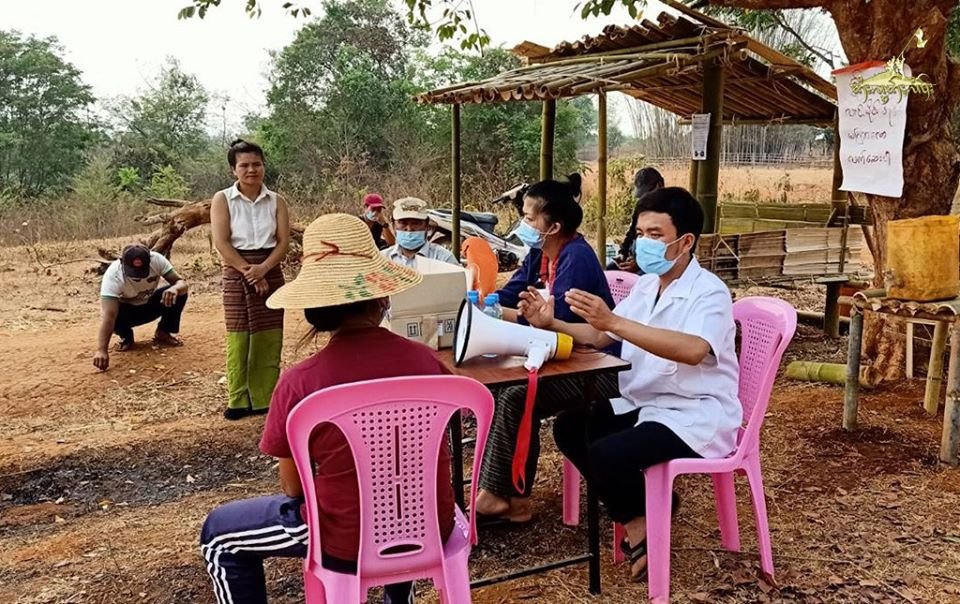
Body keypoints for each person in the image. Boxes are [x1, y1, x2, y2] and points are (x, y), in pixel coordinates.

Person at [200, 214, 455, 604]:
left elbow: (292, 487)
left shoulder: (300, 382)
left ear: (314, 308)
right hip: (430, 524)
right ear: (384, 297)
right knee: (398, 493)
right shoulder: (427, 362)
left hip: (343, 535)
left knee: (219, 534)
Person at [521, 187, 740, 582]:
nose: (643, 243)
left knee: (609, 454)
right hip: (646, 400)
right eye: (640, 233)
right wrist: (550, 323)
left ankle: (642, 528)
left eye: (655, 235)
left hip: (694, 411)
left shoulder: (709, 292)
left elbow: (693, 350)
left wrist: (615, 323)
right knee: (570, 427)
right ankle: (644, 511)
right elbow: (602, 336)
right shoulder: (646, 285)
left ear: (685, 241)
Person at [474, 174, 618, 524]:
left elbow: (561, 330)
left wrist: (519, 317)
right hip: (564, 358)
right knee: (506, 391)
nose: (523, 224)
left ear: (553, 226)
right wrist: (480, 301)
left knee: (515, 395)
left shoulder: (576, 259)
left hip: (600, 369)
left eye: (529, 218)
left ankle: (502, 497)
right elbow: (507, 301)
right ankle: (510, 497)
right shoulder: (540, 255)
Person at [210, 139, 291, 420]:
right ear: (234, 170)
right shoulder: (222, 199)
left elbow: (283, 242)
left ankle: (264, 397)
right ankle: (238, 399)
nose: (251, 170)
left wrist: (264, 269)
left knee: (269, 336)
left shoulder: (277, 201)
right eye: (244, 165)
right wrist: (249, 271)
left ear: (264, 166)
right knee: (239, 336)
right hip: (236, 271)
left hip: (270, 269)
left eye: (256, 164)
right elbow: (221, 242)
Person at [93, 244, 188, 371]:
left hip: (149, 305)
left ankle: (163, 332)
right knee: (112, 313)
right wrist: (101, 350)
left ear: (150, 260)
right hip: (126, 313)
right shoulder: (113, 276)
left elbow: (181, 283)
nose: (137, 276)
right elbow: (109, 316)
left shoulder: (157, 260)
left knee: (179, 293)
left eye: (141, 271)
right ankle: (126, 336)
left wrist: (175, 288)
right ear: (121, 262)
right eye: (133, 272)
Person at [609, 167, 665, 272]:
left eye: (647, 193)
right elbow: (631, 232)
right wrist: (623, 253)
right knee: (610, 269)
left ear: (659, 186)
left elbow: (663, 251)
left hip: (653, 265)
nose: (644, 198)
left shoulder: (668, 212)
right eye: (641, 195)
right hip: (635, 259)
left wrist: (639, 264)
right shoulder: (641, 206)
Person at [381, 197, 459, 268]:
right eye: (403, 223)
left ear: (426, 225)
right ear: (394, 225)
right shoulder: (382, 259)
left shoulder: (443, 258)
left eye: (416, 223)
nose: (409, 229)